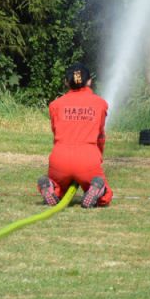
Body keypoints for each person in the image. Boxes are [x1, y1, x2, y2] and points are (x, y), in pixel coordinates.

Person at [38, 63, 113, 208]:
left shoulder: (55, 105)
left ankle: (51, 187)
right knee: (105, 192)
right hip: (88, 158)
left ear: (66, 82)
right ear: (89, 81)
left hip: (60, 157)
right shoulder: (100, 104)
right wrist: (98, 156)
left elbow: (55, 132)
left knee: (59, 188)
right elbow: (100, 136)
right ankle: (98, 191)